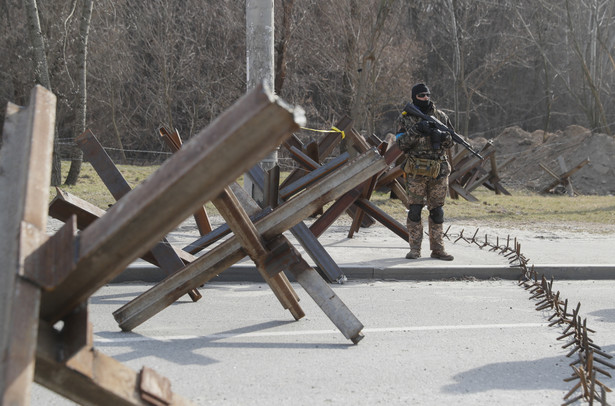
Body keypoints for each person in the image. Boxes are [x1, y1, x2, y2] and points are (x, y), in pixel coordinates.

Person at [396, 83, 455, 261]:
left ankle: (438, 249)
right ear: (414, 97)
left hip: (438, 170)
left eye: (427, 95)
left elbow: (451, 140)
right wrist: (416, 130)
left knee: (437, 211)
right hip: (416, 171)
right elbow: (401, 144)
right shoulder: (405, 118)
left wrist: (445, 138)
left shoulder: (441, 116)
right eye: (421, 95)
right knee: (414, 210)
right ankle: (415, 249)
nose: (426, 98)